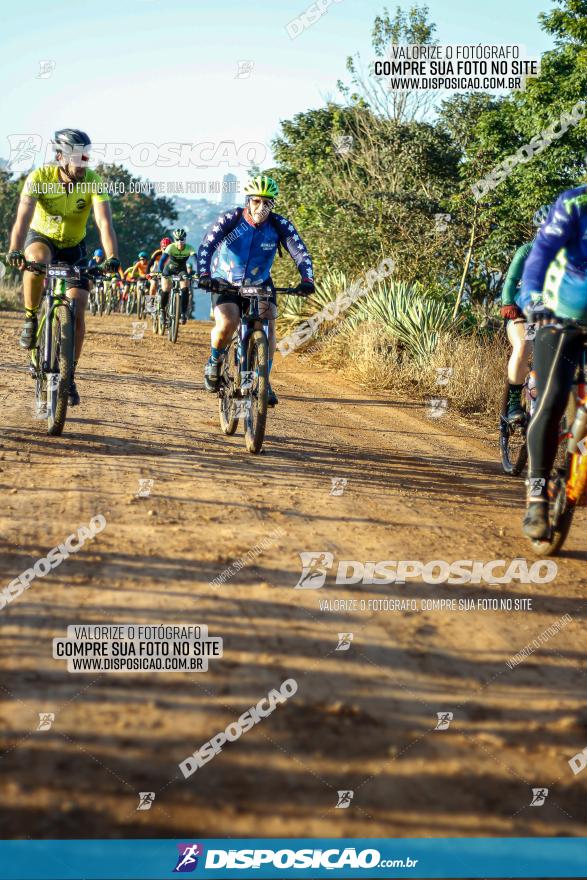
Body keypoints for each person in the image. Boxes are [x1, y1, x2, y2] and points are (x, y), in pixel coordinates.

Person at [7, 128, 120, 405]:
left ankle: (69, 376)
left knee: (78, 307)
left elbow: (105, 223)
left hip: (74, 248)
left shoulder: (92, 181)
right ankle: (31, 318)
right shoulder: (40, 178)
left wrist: (112, 256)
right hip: (42, 239)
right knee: (35, 261)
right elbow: (23, 218)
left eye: (86, 157)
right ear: (60, 157)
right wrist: (14, 250)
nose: (84, 163)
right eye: (78, 158)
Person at [197, 174, 314, 405]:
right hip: (226, 281)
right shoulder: (231, 219)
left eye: (267, 202)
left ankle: (262, 380)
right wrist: (204, 275)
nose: (262, 207)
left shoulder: (279, 225)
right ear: (248, 200)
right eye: (257, 201)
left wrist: (307, 279)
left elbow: (300, 252)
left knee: (268, 332)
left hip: (260, 283)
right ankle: (215, 361)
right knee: (228, 323)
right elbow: (206, 246)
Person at [519, 187, 587, 540]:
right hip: (560, 316)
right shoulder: (576, 203)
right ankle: (537, 497)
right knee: (552, 397)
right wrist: (533, 297)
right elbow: (542, 252)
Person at [500, 205, 550, 422]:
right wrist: (508, 303)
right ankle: (513, 405)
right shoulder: (526, 252)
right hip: (522, 315)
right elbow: (511, 281)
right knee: (524, 345)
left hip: (549, 317)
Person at [158, 229, 196, 325]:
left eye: (182, 239)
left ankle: (183, 314)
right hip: (169, 269)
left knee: (185, 289)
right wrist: (159, 271)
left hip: (181, 270)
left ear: (185, 239)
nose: (180, 242)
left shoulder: (189, 248)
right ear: (175, 240)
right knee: (166, 289)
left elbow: (197, 260)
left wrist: (199, 272)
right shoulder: (170, 247)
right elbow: (162, 260)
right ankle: (162, 311)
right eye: (178, 240)